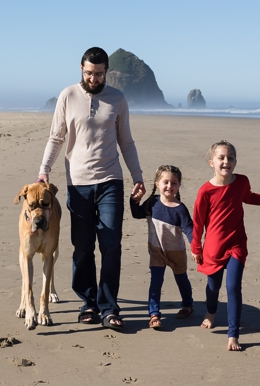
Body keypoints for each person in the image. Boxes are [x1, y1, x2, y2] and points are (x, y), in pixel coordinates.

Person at [35, 47, 147, 331]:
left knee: (111, 244)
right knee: (82, 247)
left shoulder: (118, 99)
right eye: (88, 73)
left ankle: (109, 307)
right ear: (81, 69)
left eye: (98, 74)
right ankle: (88, 303)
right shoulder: (68, 96)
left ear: (106, 72)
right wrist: (43, 170)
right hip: (78, 183)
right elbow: (56, 138)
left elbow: (127, 142)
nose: (93, 78)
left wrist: (137, 176)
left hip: (110, 180)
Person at [191, 141, 260, 351]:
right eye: (221, 158)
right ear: (212, 162)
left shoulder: (242, 182)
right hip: (213, 249)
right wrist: (196, 248)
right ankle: (210, 312)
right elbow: (198, 223)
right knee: (213, 287)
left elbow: (249, 197)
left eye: (231, 158)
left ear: (236, 161)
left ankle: (233, 334)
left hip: (236, 244)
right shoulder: (205, 192)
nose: (226, 161)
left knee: (233, 287)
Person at [130, 164, 195, 329]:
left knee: (182, 280)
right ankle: (154, 314)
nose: (169, 186)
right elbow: (137, 214)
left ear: (179, 185)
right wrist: (134, 200)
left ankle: (187, 304)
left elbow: (189, 229)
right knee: (156, 282)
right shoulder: (152, 202)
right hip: (157, 251)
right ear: (157, 183)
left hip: (176, 252)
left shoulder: (180, 209)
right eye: (165, 182)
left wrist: (195, 247)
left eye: (174, 183)